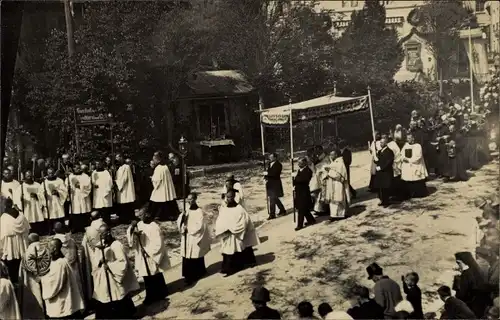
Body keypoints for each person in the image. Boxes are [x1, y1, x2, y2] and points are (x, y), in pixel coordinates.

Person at [93, 224, 139, 319]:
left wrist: (109, 266)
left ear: (109, 233)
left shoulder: (116, 245)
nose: (101, 236)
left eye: (103, 234)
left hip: (113, 276)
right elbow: (96, 259)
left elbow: (122, 263)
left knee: (117, 296)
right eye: (100, 234)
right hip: (103, 276)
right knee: (104, 296)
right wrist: (100, 261)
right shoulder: (100, 244)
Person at [127, 209, 170, 305]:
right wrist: (132, 229)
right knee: (147, 276)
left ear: (147, 214)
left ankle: (160, 293)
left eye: (141, 215)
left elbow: (158, 242)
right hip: (142, 255)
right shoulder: (139, 225)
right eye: (139, 215)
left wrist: (148, 252)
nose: (139, 217)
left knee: (154, 273)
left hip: (150, 254)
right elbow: (131, 239)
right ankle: (151, 294)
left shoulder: (154, 226)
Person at [215, 189, 260, 276]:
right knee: (226, 250)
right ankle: (226, 268)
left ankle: (233, 268)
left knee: (234, 250)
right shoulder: (224, 209)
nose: (229, 199)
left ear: (234, 197)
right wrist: (222, 229)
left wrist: (232, 230)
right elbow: (220, 220)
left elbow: (243, 222)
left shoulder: (239, 209)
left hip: (235, 234)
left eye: (231, 197)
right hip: (226, 234)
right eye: (227, 197)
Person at [40, 238, 84, 319]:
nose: (47, 249)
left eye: (49, 247)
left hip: (61, 301)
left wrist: (41, 279)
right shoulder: (56, 262)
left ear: (54, 248)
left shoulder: (60, 264)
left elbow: (55, 283)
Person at [177, 193, 211, 286]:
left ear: (195, 199)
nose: (189, 201)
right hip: (186, 236)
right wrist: (182, 218)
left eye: (191, 199)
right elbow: (180, 222)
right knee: (187, 256)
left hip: (194, 236)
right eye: (188, 199)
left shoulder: (199, 211)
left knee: (194, 255)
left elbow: (199, 225)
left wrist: (189, 229)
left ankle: (196, 274)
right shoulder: (186, 210)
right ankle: (188, 275)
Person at [0, 197, 29, 285]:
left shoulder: (4, 217)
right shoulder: (21, 215)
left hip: (10, 244)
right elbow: (27, 229)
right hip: (20, 242)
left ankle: (14, 279)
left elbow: (2, 234)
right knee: (20, 260)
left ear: (5, 205)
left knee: (11, 260)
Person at [453, 251, 490, 317]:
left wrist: (457, 283)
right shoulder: (477, 270)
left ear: (463, 262)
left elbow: (462, 295)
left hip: (471, 308)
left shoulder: (466, 274)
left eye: (458, 263)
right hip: (481, 306)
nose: (458, 265)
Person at [18, 233, 47, 319]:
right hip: (45, 277)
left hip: (32, 280)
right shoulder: (45, 248)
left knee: (35, 295)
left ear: (29, 241)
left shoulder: (27, 252)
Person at [53, 222, 84, 299]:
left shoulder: (54, 243)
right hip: (73, 266)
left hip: (62, 268)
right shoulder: (71, 240)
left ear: (54, 230)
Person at [81, 210, 105, 307]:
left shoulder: (89, 230)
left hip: (93, 255)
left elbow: (85, 244)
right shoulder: (103, 225)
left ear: (91, 219)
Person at [320, 148, 351, 222]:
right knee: (333, 199)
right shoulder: (333, 162)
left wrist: (329, 172)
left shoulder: (340, 163)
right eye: (330, 154)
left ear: (336, 155)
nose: (330, 156)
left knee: (338, 199)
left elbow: (340, 176)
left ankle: (341, 214)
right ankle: (334, 214)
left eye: (332, 154)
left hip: (338, 183)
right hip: (332, 183)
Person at [149, 151, 179, 221]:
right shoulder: (165, 166)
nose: (154, 160)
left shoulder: (159, 168)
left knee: (156, 200)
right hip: (165, 187)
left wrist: (152, 179)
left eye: (154, 159)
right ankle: (170, 215)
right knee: (166, 199)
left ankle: (158, 215)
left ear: (157, 159)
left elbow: (157, 180)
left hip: (160, 187)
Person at [401, 133, 429, 199]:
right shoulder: (405, 145)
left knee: (417, 179)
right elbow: (401, 154)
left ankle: (420, 194)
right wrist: (403, 159)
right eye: (407, 138)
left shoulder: (418, 146)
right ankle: (410, 193)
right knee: (408, 180)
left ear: (413, 138)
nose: (408, 140)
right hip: (407, 166)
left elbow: (418, 156)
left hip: (416, 165)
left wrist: (410, 161)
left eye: (409, 138)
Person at [66, 164, 92, 233]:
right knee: (75, 211)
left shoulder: (85, 176)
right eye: (76, 168)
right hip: (74, 196)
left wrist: (80, 186)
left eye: (78, 168)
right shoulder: (70, 176)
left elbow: (88, 186)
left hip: (82, 196)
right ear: (73, 169)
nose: (77, 169)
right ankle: (75, 227)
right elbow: (66, 186)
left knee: (83, 210)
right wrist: (69, 189)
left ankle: (84, 226)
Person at [293, 158, 316, 231]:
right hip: (298, 191)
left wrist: (296, 178)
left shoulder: (308, 170)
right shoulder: (299, 170)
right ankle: (311, 220)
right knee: (304, 208)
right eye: (298, 163)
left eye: (300, 163)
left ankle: (299, 225)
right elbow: (296, 181)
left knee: (301, 208)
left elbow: (304, 180)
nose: (298, 164)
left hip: (304, 192)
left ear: (305, 163)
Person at [373, 135, 394, 207]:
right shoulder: (379, 151)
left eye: (382, 143)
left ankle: (386, 201)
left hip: (386, 172)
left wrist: (381, 167)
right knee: (381, 187)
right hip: (380, 173)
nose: (380, 144)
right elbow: (377, 160)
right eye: (380, 143)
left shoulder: (389, 151)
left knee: (386, 188)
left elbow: (388, 162)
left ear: (385, 143)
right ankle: (383, 200)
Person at [115, 153, 136, 224]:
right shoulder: (119, 168)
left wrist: (117, 183)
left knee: (127, 204)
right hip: (121, 188)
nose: (116, 159)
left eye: (117, 157)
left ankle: (128, 218)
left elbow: (124, 178)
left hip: (125, 189)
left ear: (121, 157)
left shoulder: (126, 167)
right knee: (123, 204)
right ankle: (124, 218)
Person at [264, 153, 286, 219]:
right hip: (270, 184)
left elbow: (275, 174)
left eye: (271, 157)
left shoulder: (278, 165)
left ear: (275, 158)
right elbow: (268, 173)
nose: (270, 158)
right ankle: (282, 210)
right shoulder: (269, 164)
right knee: (275, 198)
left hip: (275, 184)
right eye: (269, 157)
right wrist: (265, 177)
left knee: (272, 199)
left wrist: (267, 174)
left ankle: (272, 214)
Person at [387, 129, 405, 201]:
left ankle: (399, 195)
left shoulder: (394, 145)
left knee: (397, 181)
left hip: (396, 164)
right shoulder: (392, 144)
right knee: (395, 180)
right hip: (395, 163)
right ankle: (396, 194)